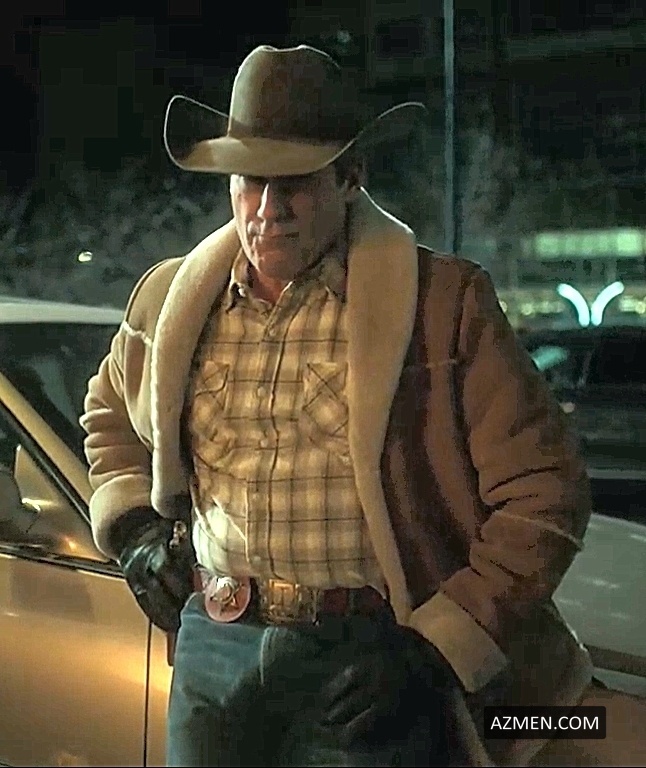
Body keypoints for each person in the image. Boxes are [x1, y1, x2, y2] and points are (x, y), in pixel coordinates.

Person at [80, 44, 614, 767]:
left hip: (370, 655)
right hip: (213, 644)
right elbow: (109, 415)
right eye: (250, 181)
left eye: (296, 183)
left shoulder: (441, 305)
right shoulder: (170, 300)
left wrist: (436, 649)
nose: (268, 211)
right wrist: (134, 530)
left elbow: (545, 490)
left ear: (350, 177)